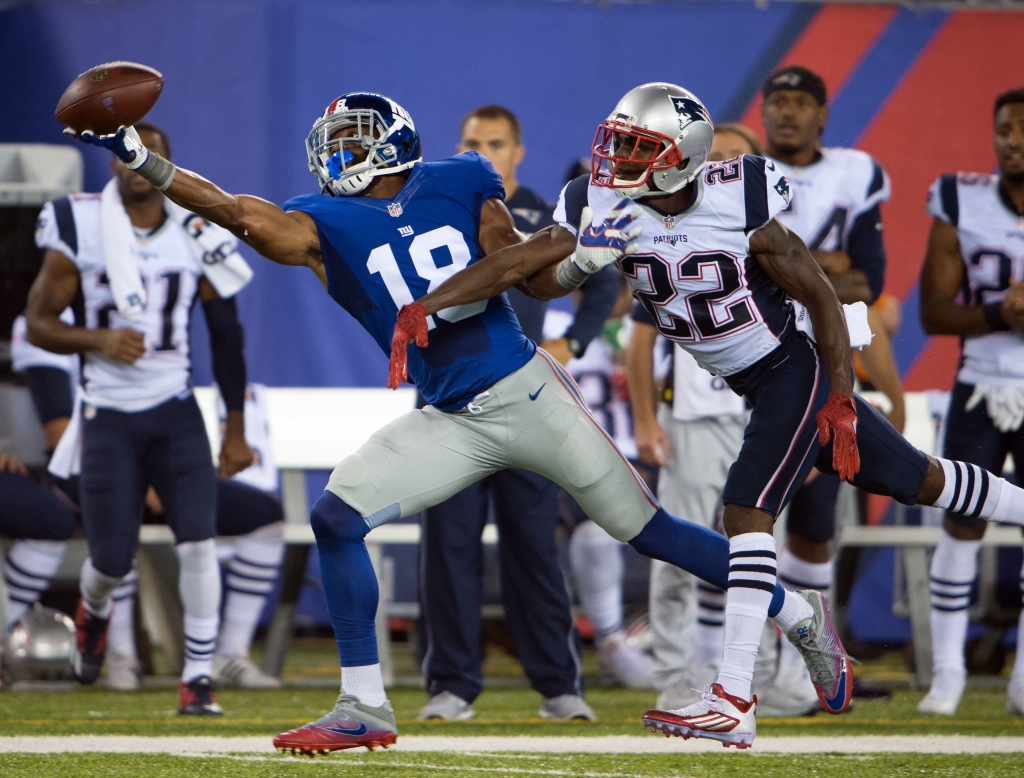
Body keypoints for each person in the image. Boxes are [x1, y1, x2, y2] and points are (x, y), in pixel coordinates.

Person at [68, 91, 846, 753]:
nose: (338, 156)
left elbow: (524, 271)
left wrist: (578, 262)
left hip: (527, 390)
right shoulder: (319, 223)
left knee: (648, 531)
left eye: (353, 141)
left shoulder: (464, 179)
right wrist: (139, 154)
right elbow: (234, 211)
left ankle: (796, 611)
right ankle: (363, 705)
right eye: (333, 143)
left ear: (394, 142)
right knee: (338, 518)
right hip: (448, 415)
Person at [398, 81, 1024, 748]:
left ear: (681, 156)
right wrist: (439, 303)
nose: (614, 161)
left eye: (636, 147)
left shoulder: (738, 195)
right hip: (755, 384)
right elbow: (527, 270)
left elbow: (818, 294)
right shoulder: (601, 202)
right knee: (923, 480)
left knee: (745, 512)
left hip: (794, 366)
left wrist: (841, 395)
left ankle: (733, 697)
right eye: (615, 143)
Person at [25, 123, 255, 715]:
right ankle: (92, 613)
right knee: (108, 561)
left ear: (167, 166)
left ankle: (197, 678)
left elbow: (226, 336)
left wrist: (234, 426)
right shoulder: (78, 223)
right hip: (108, 415)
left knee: (199, 544)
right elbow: (40, 323)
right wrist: (98, 338)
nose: (136, 165)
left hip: (175, 410)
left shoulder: (196, 227)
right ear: (111, 166)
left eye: (150, 157)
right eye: (127, 156)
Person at [417, 106, 618, 722]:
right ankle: (451, 685)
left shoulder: (546, 212)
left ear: (518, 152)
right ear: (458, 147)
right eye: (473, 142)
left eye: (496, 143)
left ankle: (559, 686)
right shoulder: (425, 209)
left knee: (533, 542)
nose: (484, 152)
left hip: (526, 398)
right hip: (449, 397)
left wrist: (575, 342)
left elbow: (603, 282)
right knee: (447, 544)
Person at [9, 312, 286, 691]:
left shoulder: (156, 303)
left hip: (159, 457)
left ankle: (222, 658)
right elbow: (59, 431)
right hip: (92, 466)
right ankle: (121, 653)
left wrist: (173, 465)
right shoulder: (54, 316)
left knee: (255, 521)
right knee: (117, 533)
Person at [758, 65, 900, 715]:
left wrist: (798, 273)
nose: (786, 114)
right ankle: (759, 665)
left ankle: (802, 666)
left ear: (822, 113)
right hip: (759, 361)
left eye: (799, 102)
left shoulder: (855, 172)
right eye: (776, 102)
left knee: (814, 524)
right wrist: (821, 270)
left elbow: (866, 280)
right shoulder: (742, 175)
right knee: (750, 515)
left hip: (828, 358)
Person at [626, 123, 757, 711]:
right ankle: (674, 671)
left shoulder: (772, 236)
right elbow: (638, 344)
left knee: (758, 552)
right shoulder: (667, 232)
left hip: (763, 414)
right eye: (717, 158)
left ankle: (760, 672)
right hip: (697, 415)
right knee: (678, 549)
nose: (725, 168)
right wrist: (648, 422)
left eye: (738, 160)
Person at [918, 86, 1024, 716]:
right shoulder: (961, 199)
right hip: (981, 381)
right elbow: (933, 313)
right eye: (1004, 129)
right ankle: (949, 672)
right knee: (960, 520)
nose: (1013, 141)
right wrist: (999, 310)